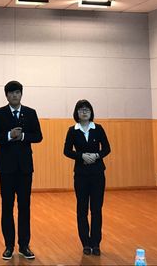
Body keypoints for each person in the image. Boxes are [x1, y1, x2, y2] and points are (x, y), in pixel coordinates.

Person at [0, 80, 43, 261]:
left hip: (25, 168)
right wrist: (9, 135)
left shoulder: (30, 113)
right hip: (6, 169)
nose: (14, 95)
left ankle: (24, 245)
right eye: (11, 92)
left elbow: (38, 136)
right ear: (6, 95)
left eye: (17, 92)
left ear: (21, 94)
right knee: (7, 207)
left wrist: (23, 136)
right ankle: (9, 246)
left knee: (24, 207)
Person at [63, 99, 111, 256]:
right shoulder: (72, 130)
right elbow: (67, 151)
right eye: (81, 109)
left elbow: (107, 149)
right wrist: (81, 156)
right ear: (76, 113)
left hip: (97, 174)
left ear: (91, 112)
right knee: (82, 209)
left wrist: (96, 155)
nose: (84, 112)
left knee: (96, 209)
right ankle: (85, 243)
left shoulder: (98, 128)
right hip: (81, 175)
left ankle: (96, 243)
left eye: (87, 109)